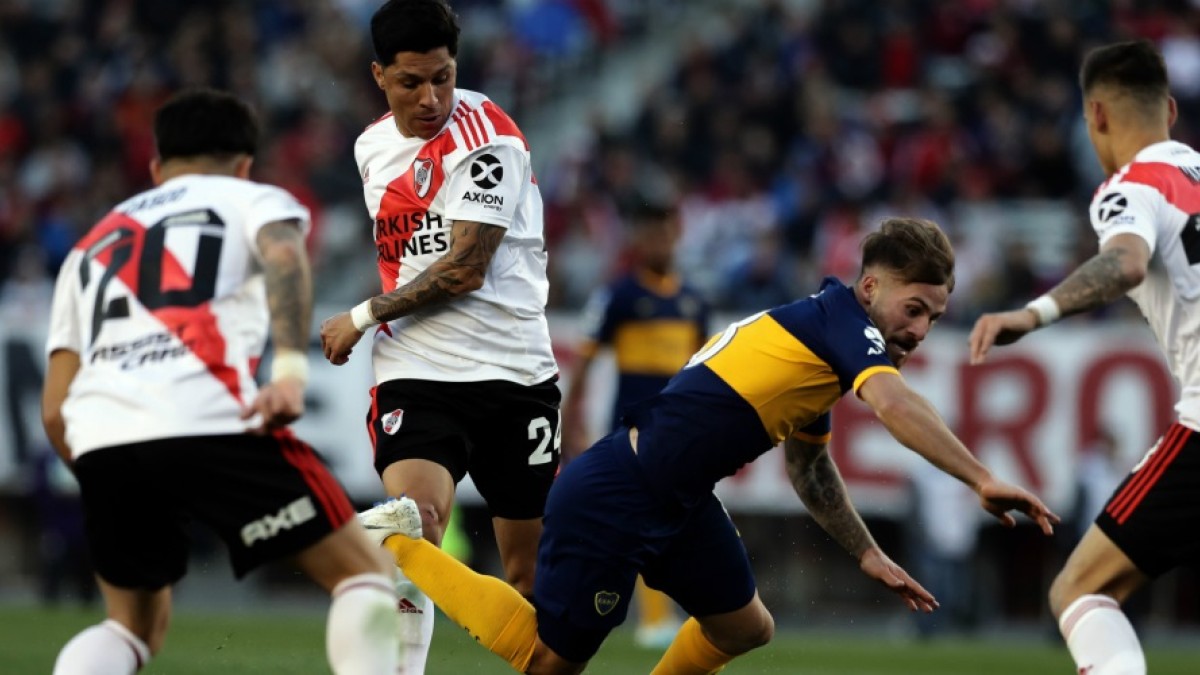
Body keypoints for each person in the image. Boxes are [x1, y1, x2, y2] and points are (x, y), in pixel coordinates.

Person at [361, 217, 1060, 674]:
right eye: (914, 309)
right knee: (549, 663)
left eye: (934, 316)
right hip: (621, 489)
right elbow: (895, 405)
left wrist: (866, 551)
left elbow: (809, 465)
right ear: (871, 286)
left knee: (745, 627)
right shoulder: (846, 327)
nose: (921, 330)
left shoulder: (826, 342)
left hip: (681, 502)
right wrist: (980, 477)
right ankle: (394, 542)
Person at [41, 88, 400, 675]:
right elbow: (284, 256)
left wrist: (112, 467)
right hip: (213, 417)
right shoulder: (252, 199)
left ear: (156, 167)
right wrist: (289, 373)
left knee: (130, 627)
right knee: (364, 573)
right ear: (244, 164)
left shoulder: (90, 247)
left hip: (104, 442)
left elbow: (55, 409)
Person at [318, 1, 560, 671]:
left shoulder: (489, 140)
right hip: (418, 370)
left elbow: (465, 269)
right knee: (413, 524)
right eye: (411, 82)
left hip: (515, 372)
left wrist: (360, 316)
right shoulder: (371, 147)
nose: (430, 98)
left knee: (531, 579)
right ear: (379, 75)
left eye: (442, 78)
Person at [969, 40, 1199, 675]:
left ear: (1095, 115)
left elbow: (1124, 263)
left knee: (1080, 589)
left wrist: (1033, 313)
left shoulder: (1131, 187)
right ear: (1171, 110)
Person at [561, 199, 709, 648]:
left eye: (665, 234)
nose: (659, 243)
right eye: (651, 235)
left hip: (681, 429)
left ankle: (664, 613)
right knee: (639, 518)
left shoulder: (694, 302)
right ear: (638, 241)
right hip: (632, 429)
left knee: (670, 519)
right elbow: (585, 361)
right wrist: (570, 417)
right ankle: (651, 618)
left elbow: (705, 369)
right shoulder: (619, 296)